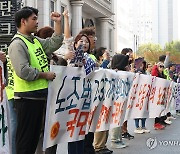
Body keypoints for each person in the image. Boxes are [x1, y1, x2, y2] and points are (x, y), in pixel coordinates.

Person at [8, 6, 63, 154]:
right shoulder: (17, 44)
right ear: (23, 21)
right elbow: (23, 71)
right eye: (34, 19)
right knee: (26, 141)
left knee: (33, 140)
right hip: (27, 98)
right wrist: (45, 75)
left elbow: (53, 44)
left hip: (38, 96)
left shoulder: (34, 40)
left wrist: (58, 23)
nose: (37, 22)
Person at [110, 54, 129, 149]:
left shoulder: (124, 73)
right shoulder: (113, 73)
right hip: (116, 100)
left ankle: (119, 138)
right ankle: (114, 140)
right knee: (116, 120)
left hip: (122, 99)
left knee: (120, 119)